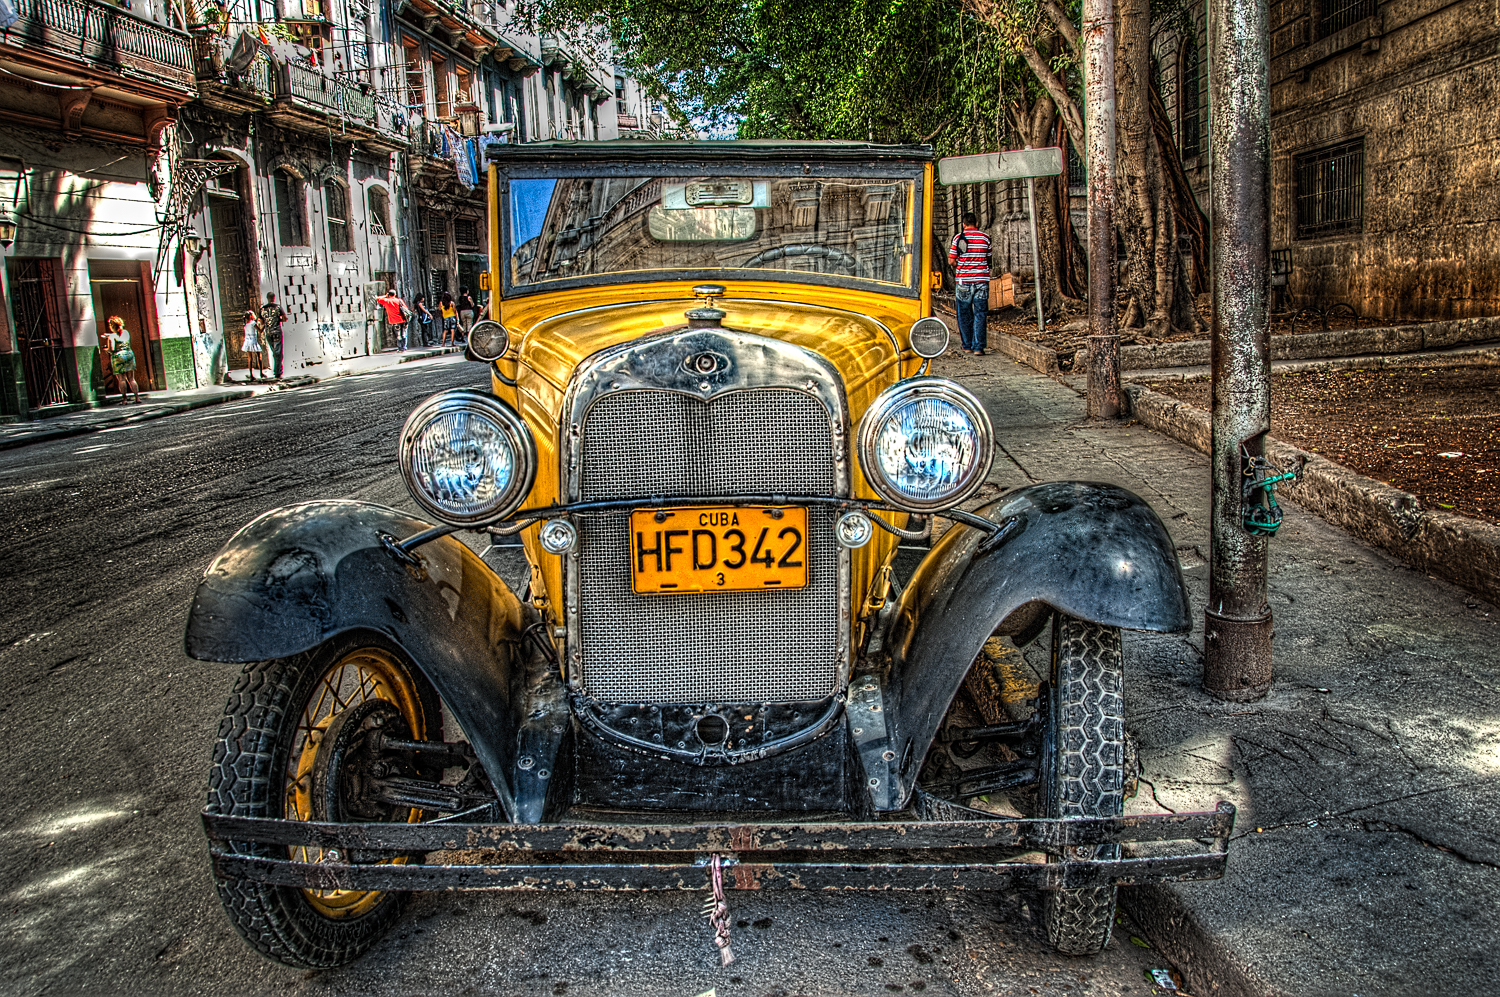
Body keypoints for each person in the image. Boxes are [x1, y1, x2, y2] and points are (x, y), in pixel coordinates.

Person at [948, 212, 992, 355]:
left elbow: (951, 260)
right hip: (981, 281)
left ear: (964, 224)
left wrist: (960, 265)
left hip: (963, 281)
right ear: (977, 223)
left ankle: (967, 345)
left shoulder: (958, 238)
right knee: (980, 313)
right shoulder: (986, 238)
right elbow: (988, 259)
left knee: (964, 313)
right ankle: (979, 347)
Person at [102, 315, 141, 403]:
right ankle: (137, 398)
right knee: (131, 379)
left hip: (118, 357)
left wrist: (105, 349)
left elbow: (112, 349)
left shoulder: (112, 337)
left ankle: (124, 400)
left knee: (122, 379)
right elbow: (119, 335)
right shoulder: (126, 333)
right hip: (128, 355)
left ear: (112, 326)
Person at [259, 292, 287, 379]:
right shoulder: (278, 307)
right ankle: (277, 371)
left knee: (274, 352)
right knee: (278, 352)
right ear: (274, 298)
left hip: (268, 332)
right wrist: (278, 320)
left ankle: (277, 369)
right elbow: (284, 318)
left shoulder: (262, 309)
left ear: (267, 298)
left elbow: (261, 321)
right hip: (277, 331)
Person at [376, 286, 411, 351]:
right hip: (403, 319)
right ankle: (404, 347)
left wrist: (385, 296)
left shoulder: (386, 301)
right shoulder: (399, 300)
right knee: (404, 334)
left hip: (394, 321)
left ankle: (400, 348)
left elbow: (377, 298)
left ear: (389, 294)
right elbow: (406, 309)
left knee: (398, 335)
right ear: (395, 294)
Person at [241, 309, 269, 381]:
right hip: (253, 341)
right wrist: (264, 325)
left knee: (250, 359)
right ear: (250, 316)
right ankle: (261, 373)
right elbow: (260, 331)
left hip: (247, 341)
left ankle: (251, 375)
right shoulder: (253, 323)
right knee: (259, 357)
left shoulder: (245, 324)